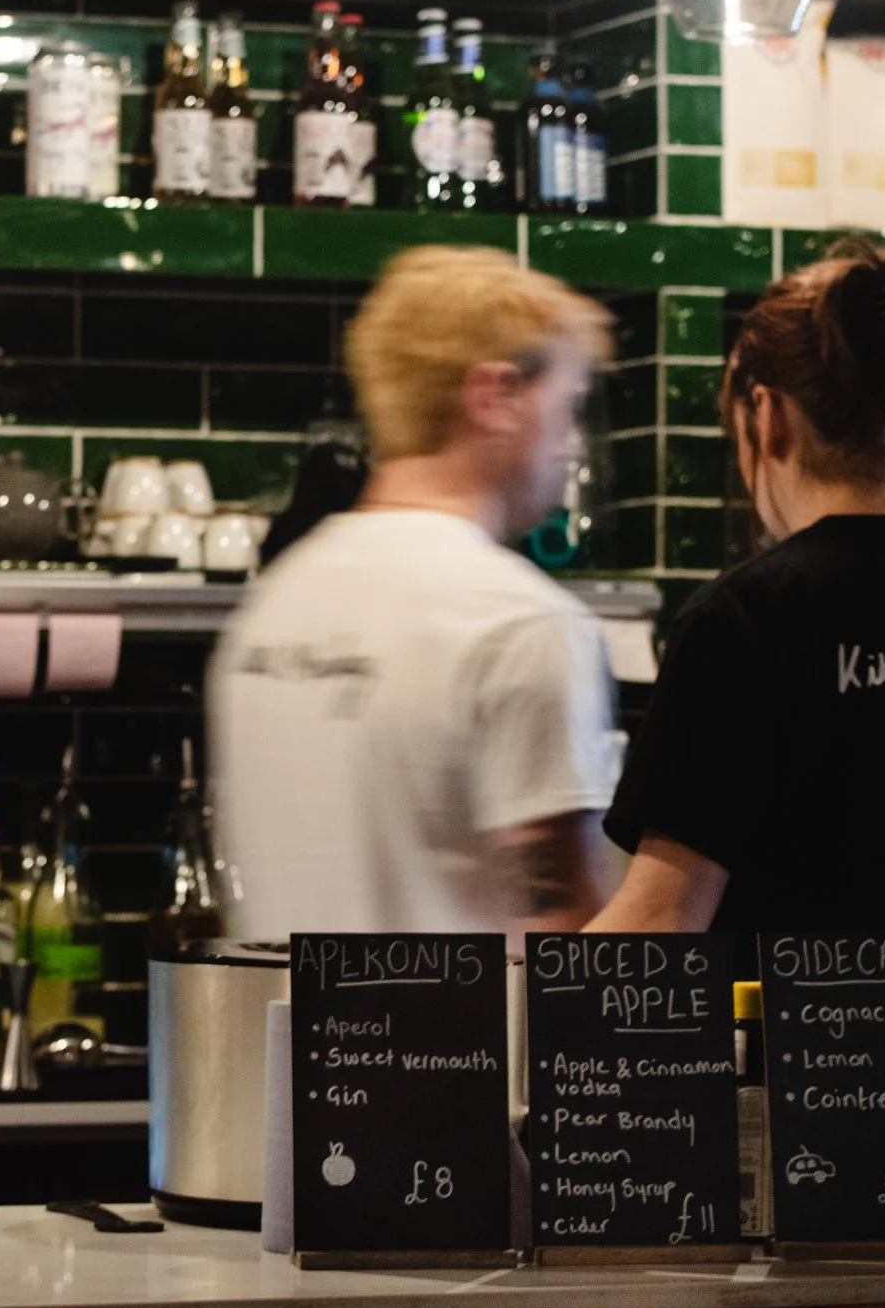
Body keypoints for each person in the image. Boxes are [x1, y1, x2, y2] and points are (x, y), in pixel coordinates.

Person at [590, 239, 885, 955]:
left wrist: (514, 1014)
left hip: (808, 1055)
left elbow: (660, 921)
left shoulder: (741, 620)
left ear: (765, 415)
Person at [211, 246, 619, 938]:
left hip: (279, 1045)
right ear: (494, 397)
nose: (572, 446)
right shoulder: (518, 622)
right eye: (567, 407)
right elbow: (562, 951)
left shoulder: (275, 605)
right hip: (458, 1049)